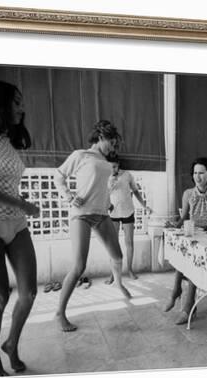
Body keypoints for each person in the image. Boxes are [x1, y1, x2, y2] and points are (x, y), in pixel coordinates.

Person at [0, 81, 40, 377]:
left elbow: (7, 182)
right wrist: (21, 203)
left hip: (16, 222)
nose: (21, 108)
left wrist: (20, 203)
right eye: (16, 102)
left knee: (28, 292)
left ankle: (11, 343)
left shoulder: (7, 139)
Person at [54, 120, 132, 332]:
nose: (112, 147)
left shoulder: (106, 162)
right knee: (79, 266)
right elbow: (58, 176)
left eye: (115, 144)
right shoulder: (80, 155)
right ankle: (60, 313)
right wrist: (69, 197)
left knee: (117, 256)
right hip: (81, 214)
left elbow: (100, 186)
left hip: (101, 214)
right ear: (100, 137)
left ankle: (118, 282)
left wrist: (108, 202)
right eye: (111, 142)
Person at [164, 157, 207, 324]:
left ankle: (186, 304)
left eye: (201, 173)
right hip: (192, 233)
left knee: (192, 260)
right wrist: (174, 225)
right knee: (182, 254)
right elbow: (183, 217)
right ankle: (178, 293)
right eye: (195, 173)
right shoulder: (188, 194)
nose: (197, 176)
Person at [104, 154, 153, 283]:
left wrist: (144, 206)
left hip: (128, 212)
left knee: (129, 243)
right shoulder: (105, 177)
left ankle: (130, 270)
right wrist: (110, 187)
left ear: (118, 164)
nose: (112, 169)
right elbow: (103, 195)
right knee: (113, 245)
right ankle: (113, 274)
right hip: (113, 213)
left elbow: (136, 191)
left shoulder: (127, 175)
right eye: (110, 167)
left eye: (114, 166)